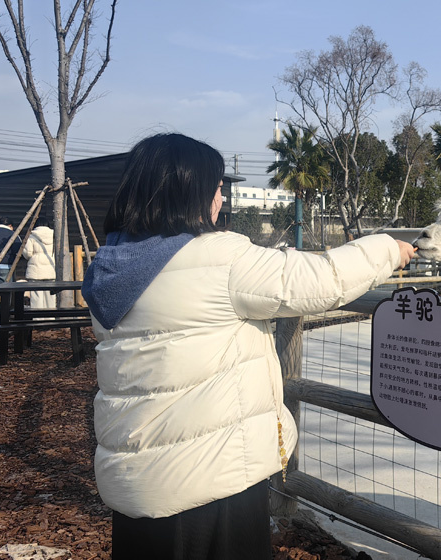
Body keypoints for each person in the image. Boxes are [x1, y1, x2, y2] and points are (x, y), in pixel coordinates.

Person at [80, 133, 415, 560]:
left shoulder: (113, 265)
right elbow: (319, 279)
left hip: (137, 481)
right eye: (217, 188)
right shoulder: (218, 258)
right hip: (208, 481)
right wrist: (389, 247)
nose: (221, 199)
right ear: (189, 192)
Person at [22, 217, 56, 309]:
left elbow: (28, 253)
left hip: (35, 270)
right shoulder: (54, 236)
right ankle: (50, 318)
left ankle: (38, 319)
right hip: (50, 269)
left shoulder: (32, 236)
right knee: (50, 297)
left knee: (37, 297)